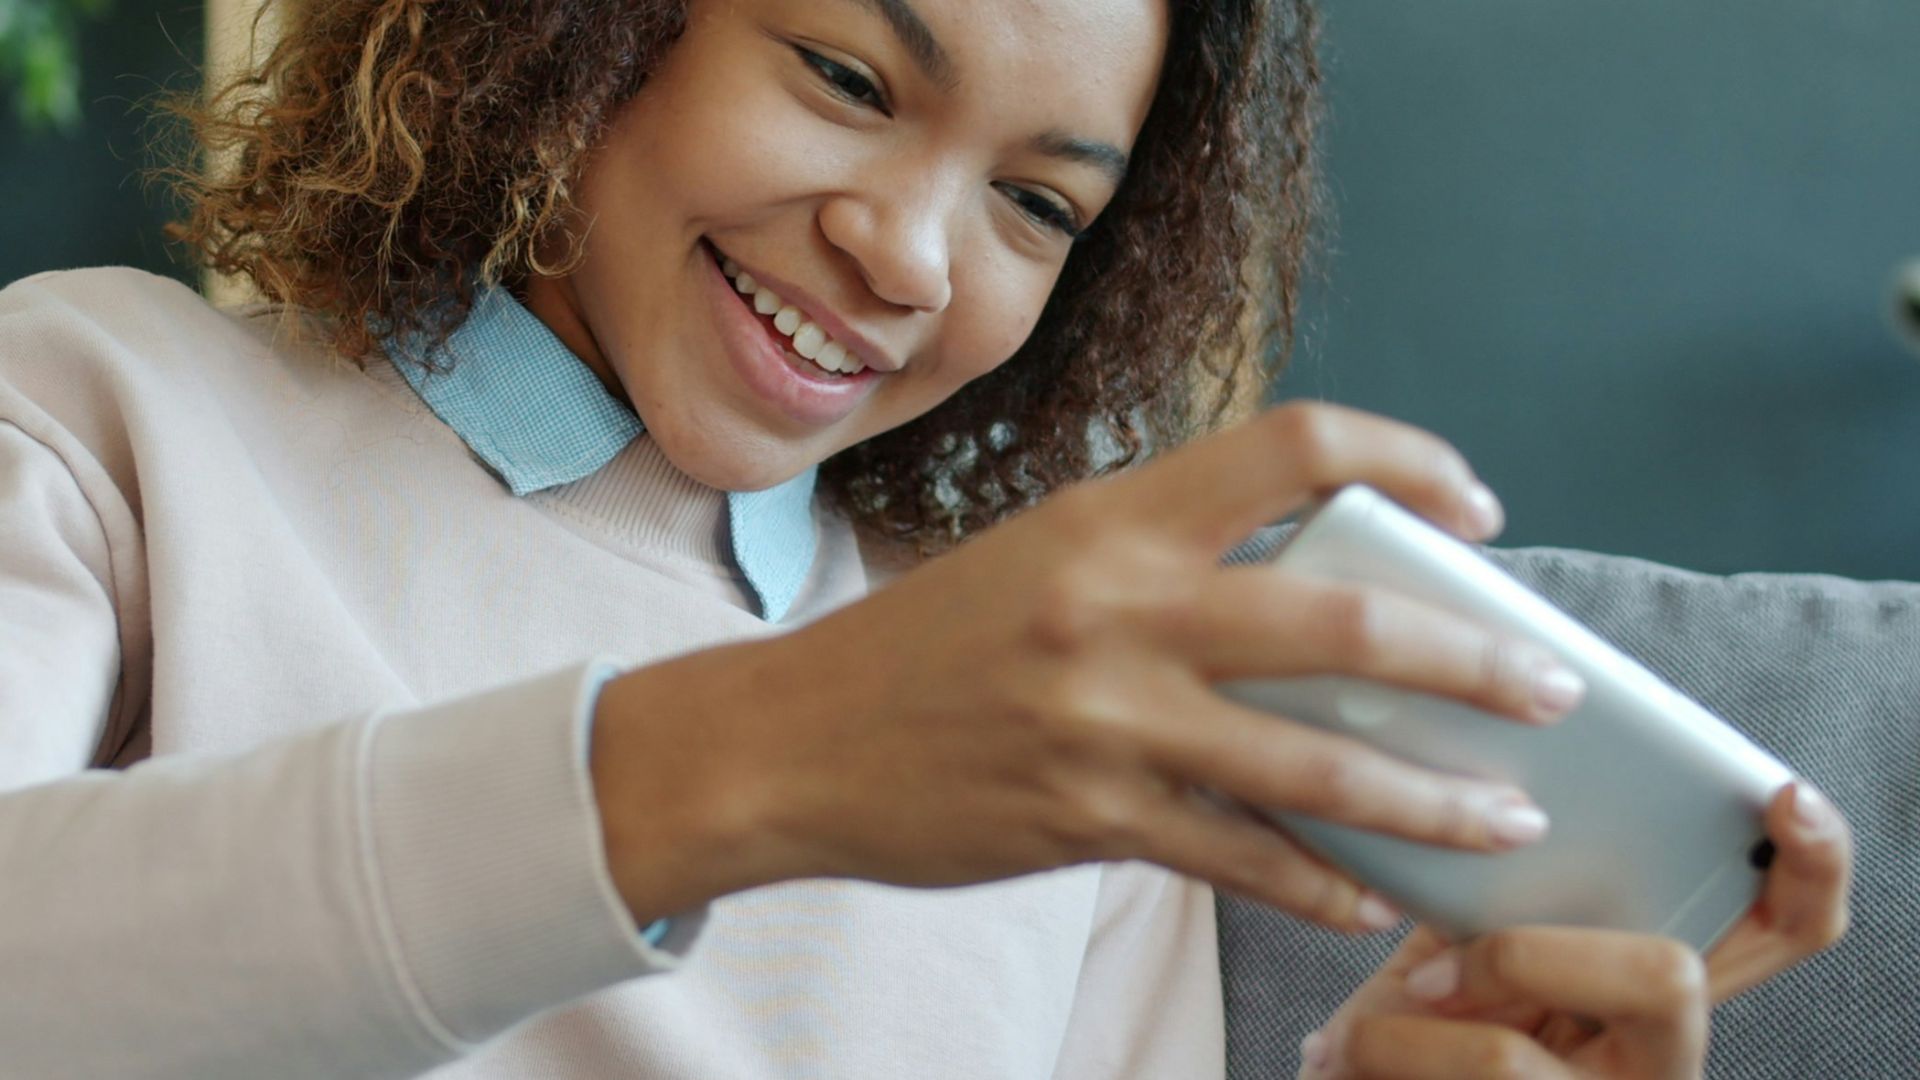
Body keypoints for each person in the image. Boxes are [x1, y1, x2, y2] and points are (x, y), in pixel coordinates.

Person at [0, 0, 1852, 1076]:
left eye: (1038, 206)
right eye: (851, 79)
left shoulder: (1060, 717)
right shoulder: (106, 406)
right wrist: (760, 753)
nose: (909, 256)